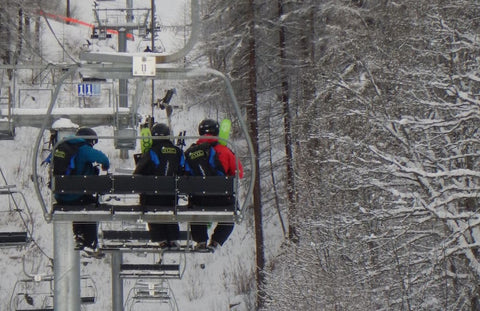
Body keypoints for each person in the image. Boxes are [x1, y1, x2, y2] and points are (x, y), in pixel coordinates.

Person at [184, 119, 244, 251]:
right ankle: (216, 241)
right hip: (223, 200)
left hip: (199, 201)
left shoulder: (191, 152)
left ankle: (200, 240)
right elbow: (239, 173)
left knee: (195, 211)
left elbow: (184, 174)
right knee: (230, 217)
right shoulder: (225, 151)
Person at [53, 127, 110, 252]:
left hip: (60, 195)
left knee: (79, 203)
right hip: (76, 196)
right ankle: (90, 242)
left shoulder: (63, 146)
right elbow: (103, 159)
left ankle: (79, 236)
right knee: (89, 204)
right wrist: (105, 166)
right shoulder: (83, 149)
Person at [133, 123, 185, 249]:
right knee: (169, 211)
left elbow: (138, 174)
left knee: (152, 209)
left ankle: (161, 239)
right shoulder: (178, 152)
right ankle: (172, 238)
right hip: (171, 197)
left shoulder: (152, 152)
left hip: (152, 198)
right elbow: (183, 171)